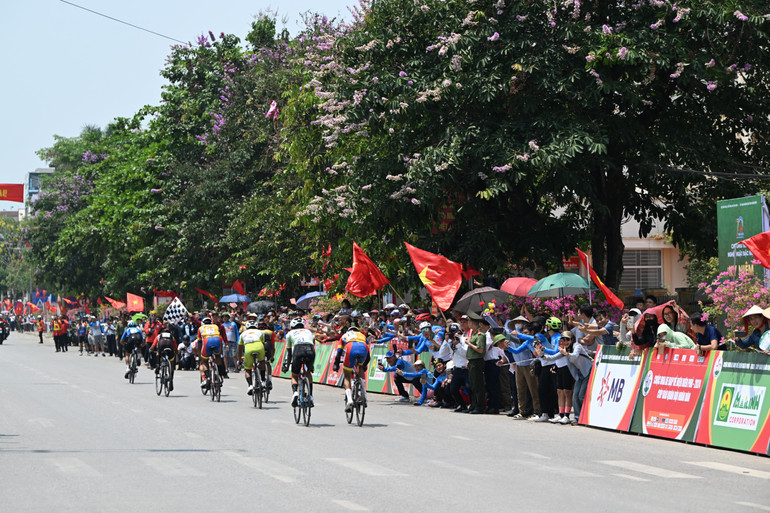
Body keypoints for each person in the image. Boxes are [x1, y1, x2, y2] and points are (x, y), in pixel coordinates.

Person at [332, 327, 370, 411]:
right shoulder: (362, 336)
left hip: (351, 347)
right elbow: (368, 355)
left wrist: (336, 364)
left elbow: (339, 352)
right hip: (363, 347)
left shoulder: (345, 335)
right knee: (361, 367)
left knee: (347, 376)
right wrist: (364, 365)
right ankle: (364, 394)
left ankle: (349, 399)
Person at [283, 318, 317, 407]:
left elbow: (289, 353)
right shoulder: (308, 332)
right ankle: (310, 396)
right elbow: (312, 345)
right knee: (308, 373)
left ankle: (295, 392)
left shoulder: (290, 333)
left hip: (298, 350)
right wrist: (311, 365)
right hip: (310, 350)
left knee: (295, 375)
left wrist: (287, 366)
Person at [465, 312, 488, 415]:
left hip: (477, 361)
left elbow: (480, 349)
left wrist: (469, 343)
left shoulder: (480, 334)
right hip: (472, 361)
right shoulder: (474, 333)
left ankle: (479, 406)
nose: (468, 323)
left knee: (478, 385)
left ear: (473, 323)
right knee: (473, 385)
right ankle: (473, 405)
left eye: (469, 321)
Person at [238, 320, 268, 395]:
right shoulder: (260, 332)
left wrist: (239, 360)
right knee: (262, 362)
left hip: (248, 349)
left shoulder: (243, 334)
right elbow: (264, 343)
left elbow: (240, 349)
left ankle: (250, 386)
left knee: (248, 369)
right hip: (259, 347)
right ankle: (263, 382)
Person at [197, 317, 226, 390]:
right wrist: (220, 353)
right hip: (217, 340)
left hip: (207, 341)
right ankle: (220, 376)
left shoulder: (200, 328)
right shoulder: (215, 326)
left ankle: (207, 377)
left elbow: (199, 343)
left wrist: (200, 355)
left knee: (204, 361)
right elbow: (220, 337)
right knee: (218, 357)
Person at [152, 322, 177, 392]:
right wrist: (176, 354)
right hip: (170, 348)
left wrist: (150, 350)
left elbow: (153, 346)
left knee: (158, 352)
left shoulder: (159, 336)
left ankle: (157, 365)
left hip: (161, 348)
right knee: (171, 363)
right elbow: (175, 348)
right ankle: (171, 380)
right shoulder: (172, 337)